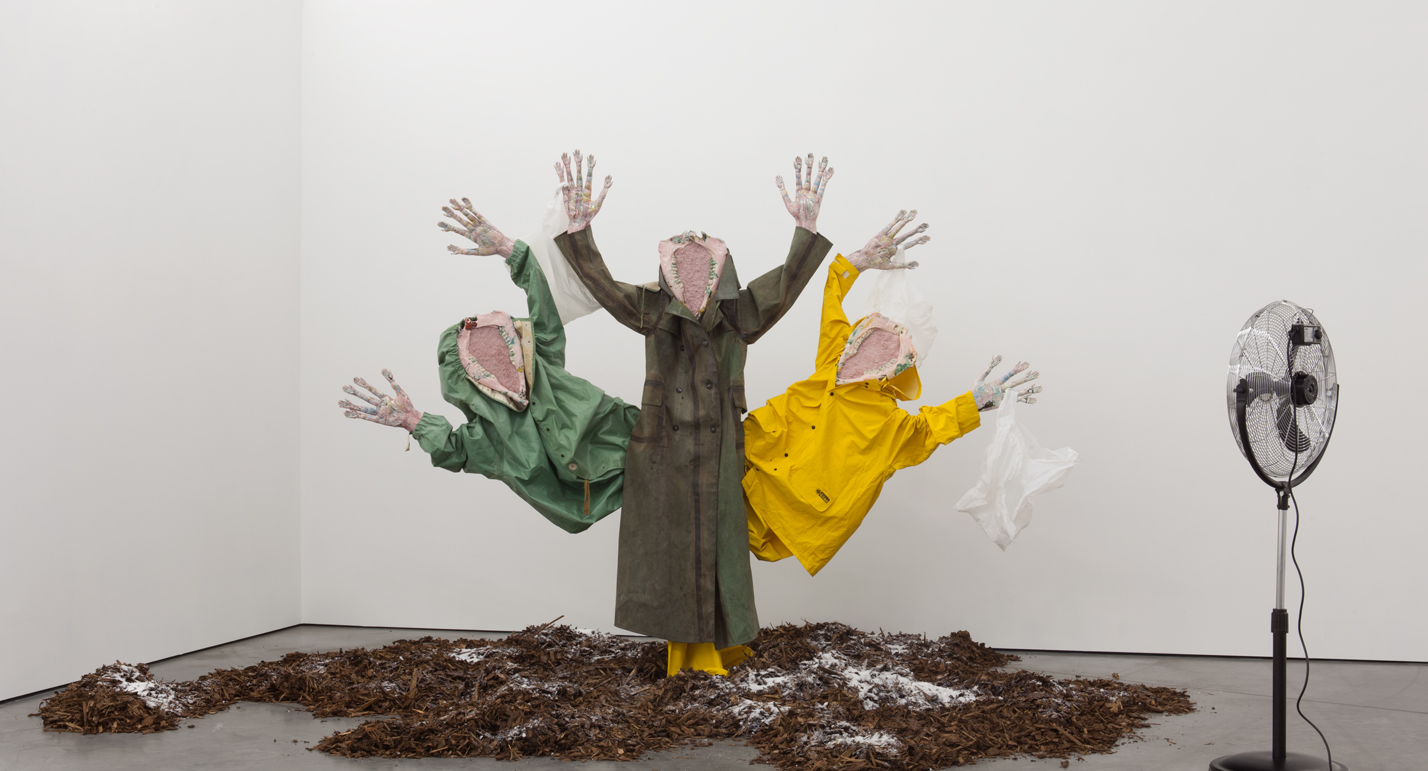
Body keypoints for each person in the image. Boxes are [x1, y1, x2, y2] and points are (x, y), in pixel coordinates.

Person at [550, 150, 835, 675]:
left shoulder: (738, 313)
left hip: (721, 447)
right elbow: (603, 285)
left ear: (720, 271)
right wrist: (580, 233)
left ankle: (721, 645)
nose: (693, 271)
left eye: (704, 264)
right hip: (663, 446)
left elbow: (784, 287)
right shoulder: (653, 309)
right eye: (681, 264)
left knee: (721, 543)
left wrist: (805, 231)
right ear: (667, 270)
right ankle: (686, 654)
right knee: (672, 547)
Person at [743, 212, 1042, 574]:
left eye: (890, 342)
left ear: (899, 366)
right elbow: (832, 299)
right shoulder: (834, 356)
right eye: (870, 329)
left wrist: (974, 403)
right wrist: (857, 262)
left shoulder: (888, 424)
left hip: (782, 514)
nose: (876, 335)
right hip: (737, 465)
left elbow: (929, 429)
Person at [336, 198, 639, 533]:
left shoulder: (540, 359)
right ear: (468, 375)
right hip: (597, 495)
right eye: (480, 349)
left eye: (498, 337)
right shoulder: (492, 435)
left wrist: (509, 249)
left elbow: (542, 303)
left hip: (639, 437)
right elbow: (455, 450)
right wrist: (413, 421)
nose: (496, 349)